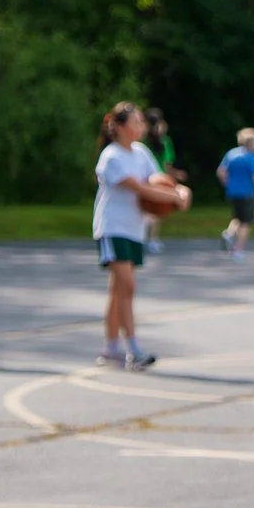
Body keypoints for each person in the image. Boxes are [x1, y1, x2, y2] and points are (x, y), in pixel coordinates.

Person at [93, 102, 158, 369]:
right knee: (127, 287)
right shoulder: (111, 156)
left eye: (142, 122)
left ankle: (110, 349)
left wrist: (180, 191)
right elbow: (140, 188)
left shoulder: (141, 153)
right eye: (135, 122)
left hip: (134, 229)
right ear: (119, 127)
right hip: (113, 229)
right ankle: (133, 350)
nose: (140, 126)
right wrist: (176, 197)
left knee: (118, 289)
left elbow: (157, 180)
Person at [217, 128, 254, 258]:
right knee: (246, 222)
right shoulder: (252, 157)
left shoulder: (231, 154)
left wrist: (228, 184)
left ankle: (228, 234)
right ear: (251, 143)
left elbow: (221, 172)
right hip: (246, 193)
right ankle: (238, 249)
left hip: (232, 193)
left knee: (238, 216)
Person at [142, 107, 178, 257]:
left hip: (143, 178)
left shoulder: (141, 141)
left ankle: (143, 237)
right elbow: (167, 165)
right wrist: (174, 177)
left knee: (144, 210)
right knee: (155, 212)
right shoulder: (164, 141)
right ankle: (152, 240)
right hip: (159, 179)